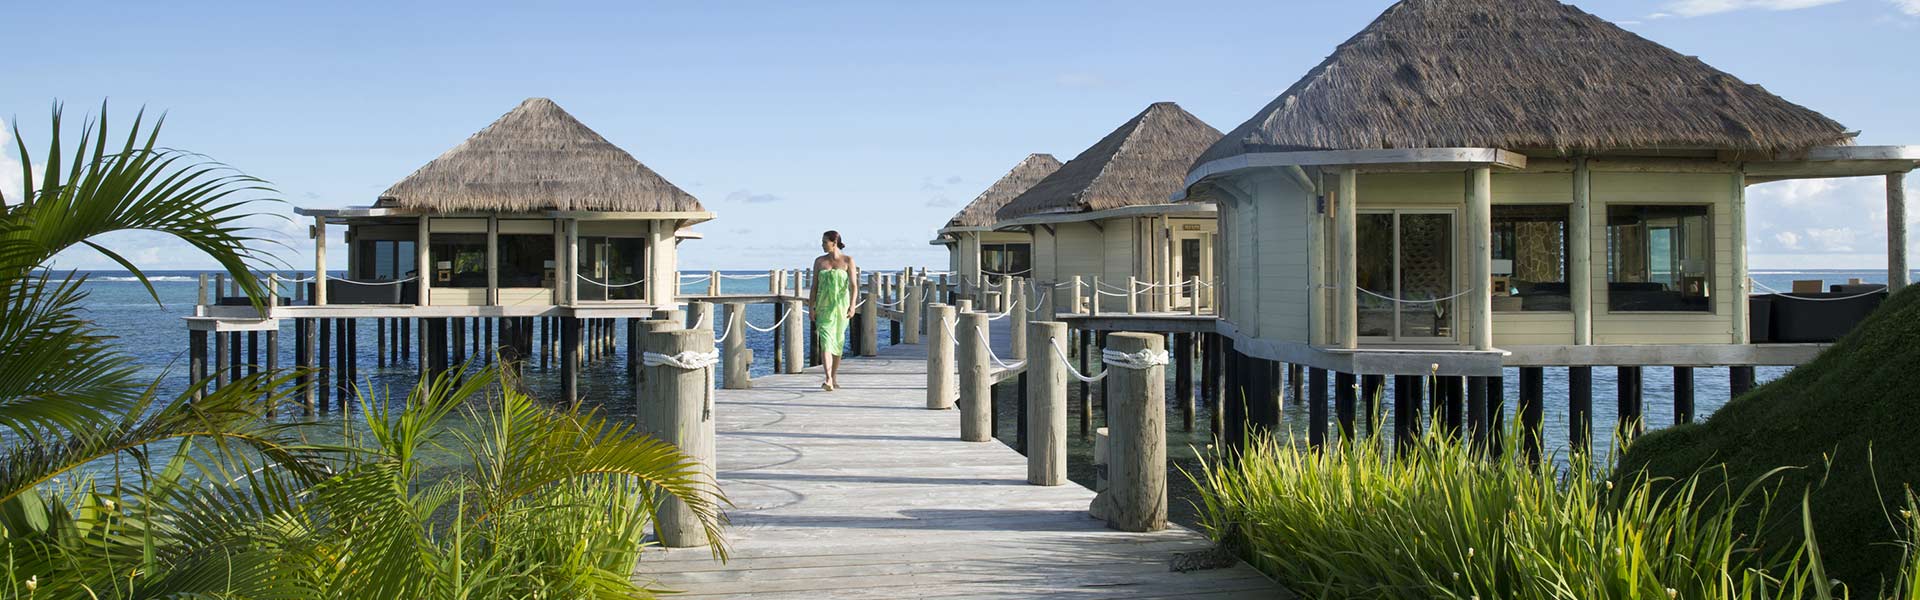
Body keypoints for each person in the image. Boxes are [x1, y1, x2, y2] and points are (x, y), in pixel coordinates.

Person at [811, 230, 857, 391]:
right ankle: (828, 378)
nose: (822, 245)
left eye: (825, 242)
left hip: (841, 308)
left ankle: (834, 376)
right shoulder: (819, 262)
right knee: (825, 342)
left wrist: (852, 306)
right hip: (823, 308)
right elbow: (814, 287)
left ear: (834, 243)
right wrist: (811, 307)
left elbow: (853, 286)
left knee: (837, 342)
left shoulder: (848, 260)